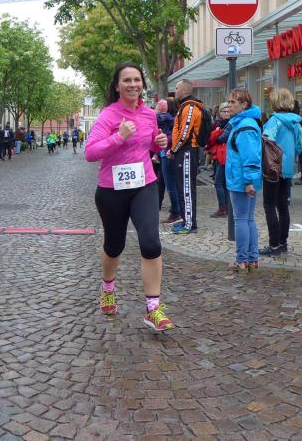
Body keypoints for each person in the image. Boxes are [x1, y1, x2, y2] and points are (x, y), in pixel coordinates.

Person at [84, 62, 173, 332]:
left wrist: (159, 143)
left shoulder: (148, 114)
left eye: (137, 79)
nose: (133, 84)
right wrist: (118, 137)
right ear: (117, 86)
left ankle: (153, 308)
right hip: (112, 189)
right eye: (127, 80)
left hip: (144, 184)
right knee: (114, 245)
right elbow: (90, 152)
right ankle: (108, 288)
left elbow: (148, 145)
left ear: (142, 84)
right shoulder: (109, 115)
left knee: (151, 243)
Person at [259, 88, 302, 256]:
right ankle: (283, 243)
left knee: (270, 205)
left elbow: (267, 142)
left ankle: (274, 245)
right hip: (287, 167)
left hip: (273, 167)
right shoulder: (296, 122)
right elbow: (299, 146)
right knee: (283, 206)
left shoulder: (274, 120)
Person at [225, 88, 262, 271]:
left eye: (233, 102)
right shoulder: (244, 123)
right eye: (229, 102)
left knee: (241, 219)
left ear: (244, 104)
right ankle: (252, 258)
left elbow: (250, 156)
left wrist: (248, 181)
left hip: (241, 180)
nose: (229, 105)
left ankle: (242, 259)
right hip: (244, 179)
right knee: (248, 219)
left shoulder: (245, 126)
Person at [169, 79, 204, 234]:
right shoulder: (184, 106)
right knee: (183, 187)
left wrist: (174, 150)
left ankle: (189, 224)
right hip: (184, 151)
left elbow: (184, 134)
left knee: (187, 189)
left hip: (188, 152)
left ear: (184, 90)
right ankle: (186, 220)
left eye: (177, 88)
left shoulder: (190, 107)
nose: (175, 91)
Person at [207, 102, 231, 218]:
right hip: (219, 155)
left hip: (225, 156)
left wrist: (216, 135)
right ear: (219, 113)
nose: (226, 113)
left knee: (218, 182)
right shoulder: (218, 123)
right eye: (223, 111)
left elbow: (222, 138)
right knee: (223, 183)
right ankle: (225, 207)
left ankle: (223, 208)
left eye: (227, 111)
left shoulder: (230, 124)